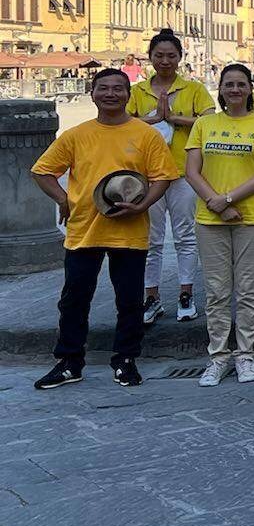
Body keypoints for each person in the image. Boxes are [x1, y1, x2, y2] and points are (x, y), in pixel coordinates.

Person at [31, 69, 180, 390]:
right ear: (93, 94)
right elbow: (42, 171)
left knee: (129, 300)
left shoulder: (146, 135)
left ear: (128, 95)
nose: (111, 94)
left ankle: (126, 359)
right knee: (74, 299)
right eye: (103, 88)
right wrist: (63, 199)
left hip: (130, 230)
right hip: (84, 230)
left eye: (117, 89)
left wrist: (142, 205)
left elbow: (163, 177)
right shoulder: (76, 135)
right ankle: (69, 362)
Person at [185, 63, 254, 387]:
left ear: (250, 89)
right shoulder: (205, 123)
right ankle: (218, 356)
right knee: (216, 291)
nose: (235, 89)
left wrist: (226, 200)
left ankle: (245, 354)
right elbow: (192, 171)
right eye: (229, 84)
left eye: (241, 84)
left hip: (252, 218)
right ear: (221, 89)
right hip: (210, 219)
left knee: (249, 290)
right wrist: (217, 203)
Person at [129, 29, 212, 326]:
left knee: (185, 235)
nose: (165, 61)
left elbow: (209, 121)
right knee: (150, 238)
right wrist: (152, 119)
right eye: (159, 55)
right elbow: (123, 123)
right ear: (150, 57)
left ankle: (185, 293)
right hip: (148, 174)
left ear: (180, 58)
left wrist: (174, 118)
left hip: (183, 171)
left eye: (171, 56)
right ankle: (151, 296)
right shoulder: (137, 91)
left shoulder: (193, 89)